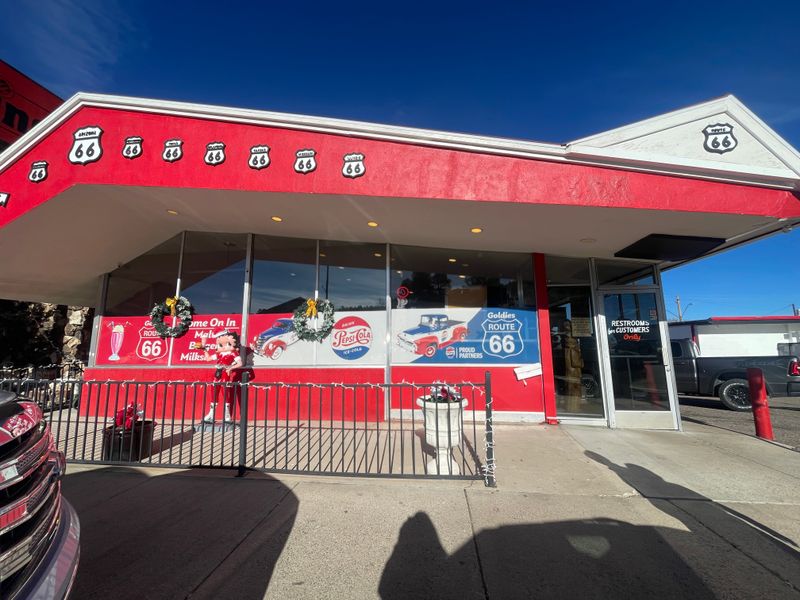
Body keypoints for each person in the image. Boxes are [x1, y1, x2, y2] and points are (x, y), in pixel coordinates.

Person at [197, 330, 243, 423]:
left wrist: (230, 368)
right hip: (217, 374)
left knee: (225, 393)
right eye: (221, 345)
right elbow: (208, 359)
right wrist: (204, 350)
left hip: (225, 374)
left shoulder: (233, 353)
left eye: (227, 344)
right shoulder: (219, 354)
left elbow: (240, 363)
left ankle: (227, 415)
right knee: (214, 392)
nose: (224, 347)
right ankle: (211, 414)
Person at [563, 320, 584, 413]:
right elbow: (575, 360)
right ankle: (573, 407)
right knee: (573, 385)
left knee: (573, 385)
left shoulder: (569, 338)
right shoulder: (570, 340)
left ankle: (573, 406)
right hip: (573, 366)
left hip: (573, 366)